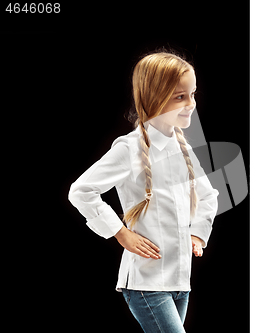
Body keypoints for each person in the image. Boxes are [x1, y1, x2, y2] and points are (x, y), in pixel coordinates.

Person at [68, 51, 219, 333]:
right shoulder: (129, 148)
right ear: (154, 97)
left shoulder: (182, 147)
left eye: (193, 94)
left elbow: (209, 196)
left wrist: (197, 233)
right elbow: (81, 191)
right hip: (146, 284)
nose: (191, 104)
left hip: (180, 282)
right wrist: (120, 233)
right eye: (180, 97)